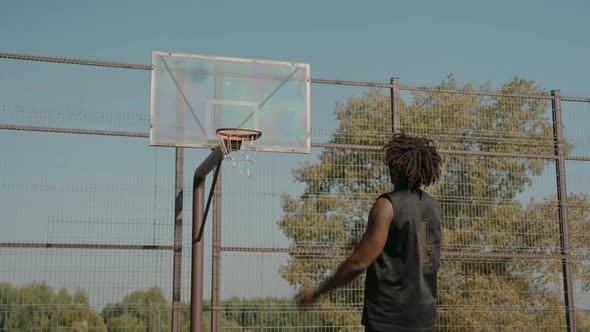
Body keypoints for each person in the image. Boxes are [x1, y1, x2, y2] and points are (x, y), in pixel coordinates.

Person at [296, 133, 444, 332]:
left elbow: (358, 262)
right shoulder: (434, 208)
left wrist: (317, 292)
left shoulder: (387, 205)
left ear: (394, 166)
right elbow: (412, 253)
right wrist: (369, 245)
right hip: (424, 320)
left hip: (390, 320)